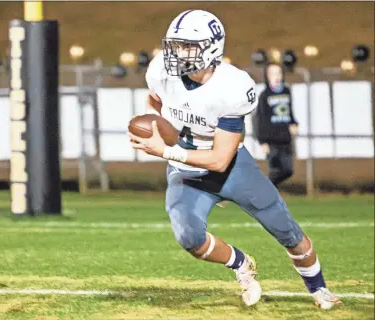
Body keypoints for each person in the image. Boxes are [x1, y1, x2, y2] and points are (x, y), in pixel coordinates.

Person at [128, 9, 342, 309]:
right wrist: (158, 125)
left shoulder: (232, 87)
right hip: (185, 171)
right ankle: (241, 264)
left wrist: (163, 150)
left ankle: (319, 289)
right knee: (189, 237)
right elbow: (155, 100)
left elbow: (218, 159)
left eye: (187, 46)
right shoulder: (161, 71)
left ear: (211, 47)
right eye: (175, 45)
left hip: (230, 168)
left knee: (287, 231)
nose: (177, 53)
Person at [253, 63, 298, 187]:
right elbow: (260, 119)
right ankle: (265, 193)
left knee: (288, 170)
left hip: (285, 138)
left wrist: (293, 123)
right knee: (276, 170)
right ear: (267, 76)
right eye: (273, 74)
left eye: (279, 73)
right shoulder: (264, 95)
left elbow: (290, 111)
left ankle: (265, 189)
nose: (276, 76)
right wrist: (262, 142)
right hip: (271, 140)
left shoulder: (286, 91)